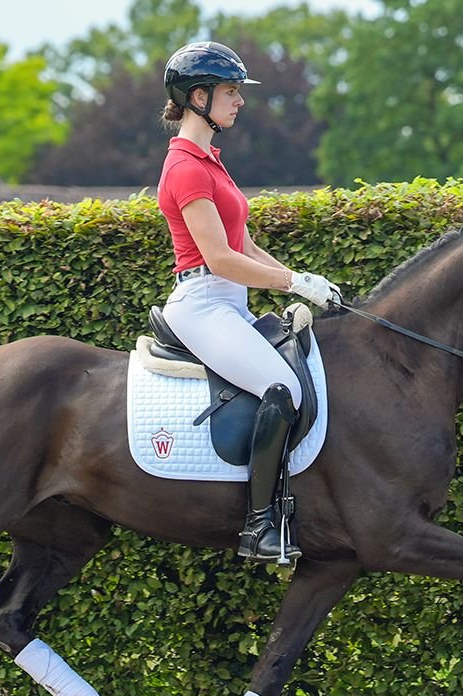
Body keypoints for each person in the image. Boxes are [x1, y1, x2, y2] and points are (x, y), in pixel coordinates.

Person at [156, 40, 342, 565]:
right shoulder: (187, 168)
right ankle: (260, 526)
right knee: (281, 388)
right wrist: (290, 283)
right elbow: (218, 258)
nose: (239, 101)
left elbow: (244, 244)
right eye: (231, 92)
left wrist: (301, 278)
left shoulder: (210, 161)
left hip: (228, 303)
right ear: (198, 97)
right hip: (203, 303)